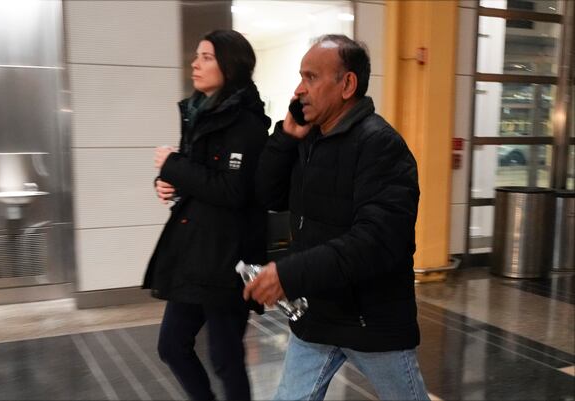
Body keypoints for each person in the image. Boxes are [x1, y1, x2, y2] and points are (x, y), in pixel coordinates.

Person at [244, 34, 430, 401]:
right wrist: (285, 137)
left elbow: (376, 242)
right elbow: (267, 194)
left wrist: (289, 275)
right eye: (301, 77)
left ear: (347, 85)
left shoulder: (381, 145)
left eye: (311, 77)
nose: (299, 89)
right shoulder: (309, 140)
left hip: (371, 323)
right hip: (318, 315)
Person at [143, 29, 270, 401]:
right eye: (196, 56)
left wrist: (174, 166)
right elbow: (198, 177)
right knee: (171, 346)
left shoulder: (246, 125)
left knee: (226, 359)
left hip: (228, 258)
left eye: (206, 57)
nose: (195, 64)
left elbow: (231, 190)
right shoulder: (200, 113)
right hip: (193, 255)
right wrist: (166, 183)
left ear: (229, 66)